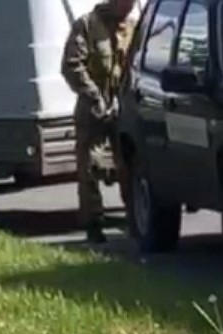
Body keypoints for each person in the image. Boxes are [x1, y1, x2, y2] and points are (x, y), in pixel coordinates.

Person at [61, 0, 138, 245]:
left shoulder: (134, 29)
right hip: (92, 107)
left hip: (123, 107)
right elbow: (72, 65)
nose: (127, 8)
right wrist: (94, 95)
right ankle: (93, 223)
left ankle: (136, 219)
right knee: (89, 168)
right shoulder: (87, 25)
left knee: (130, 164)